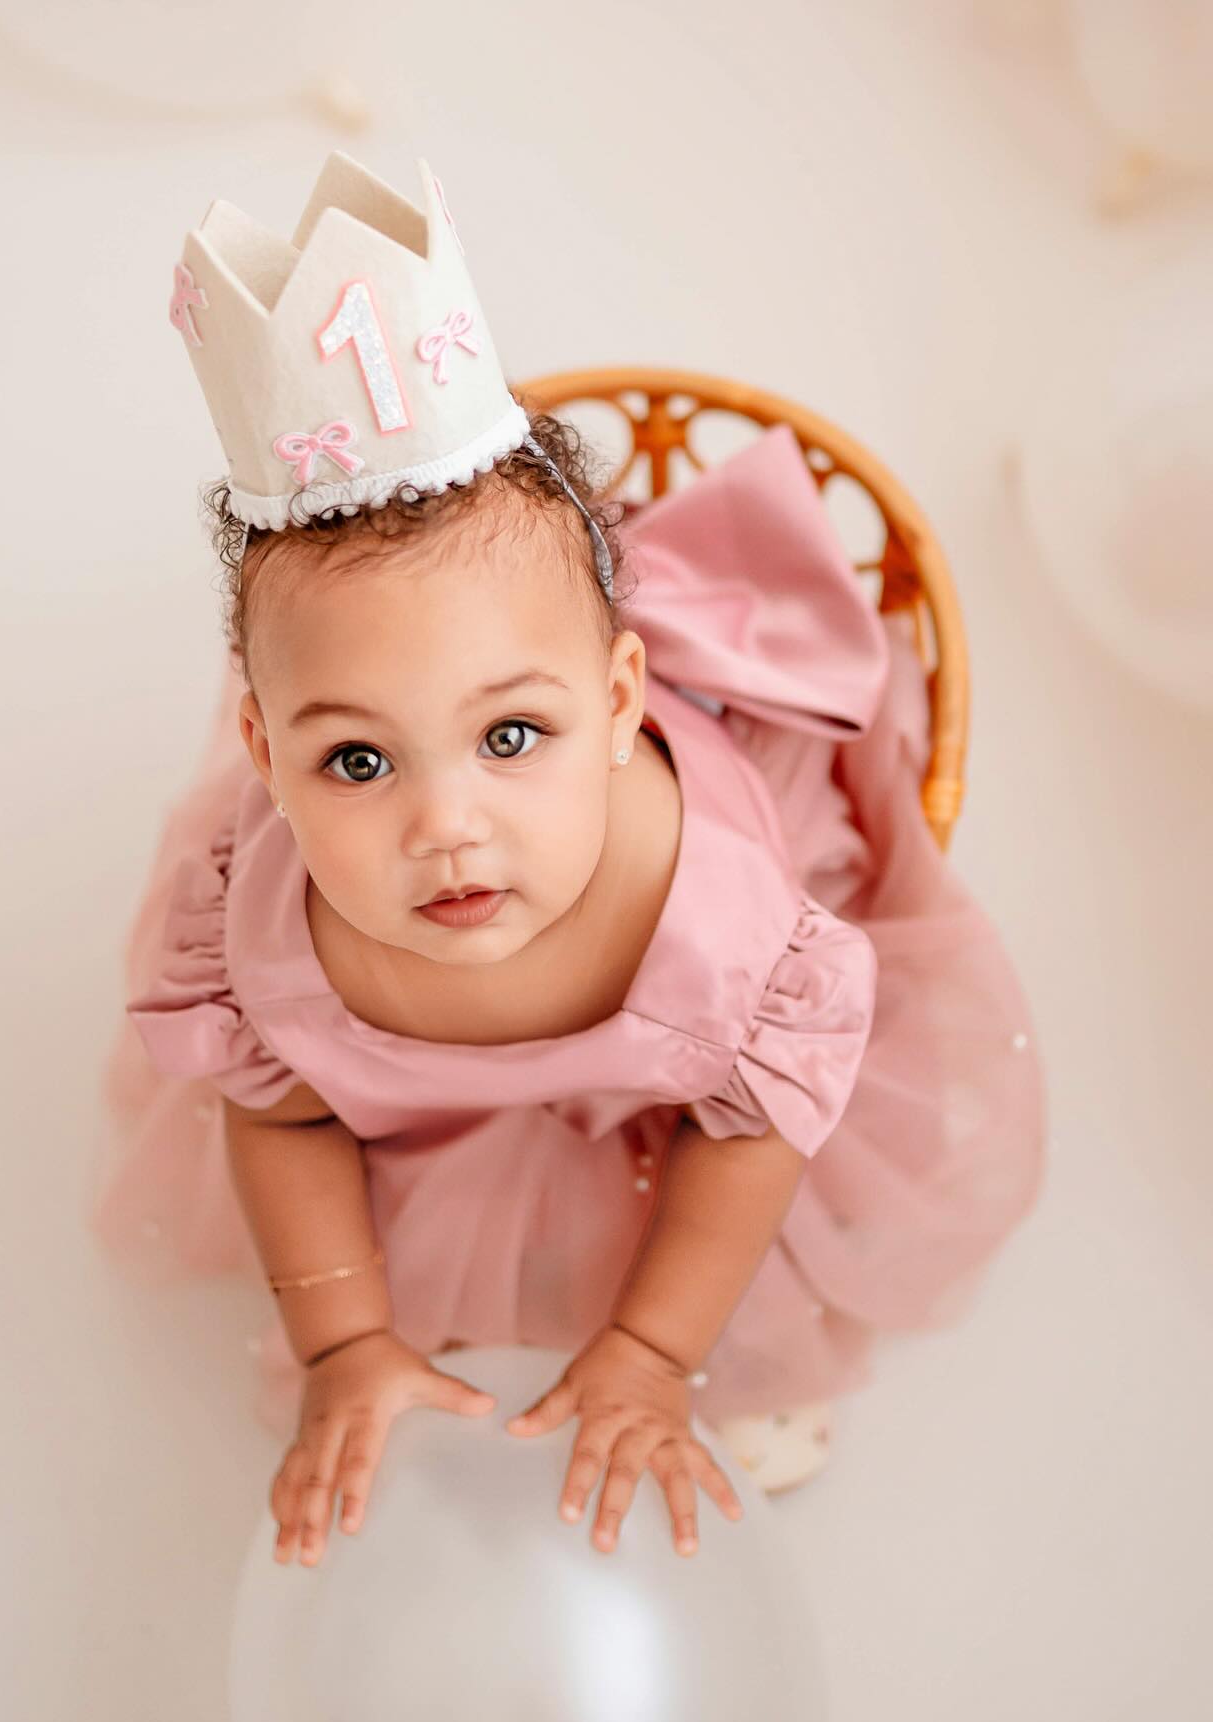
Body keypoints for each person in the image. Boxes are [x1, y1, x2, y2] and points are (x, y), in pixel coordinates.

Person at [88, 151, 1046, 1567]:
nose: (446, 827)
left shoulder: (715, 930)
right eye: (356, 760)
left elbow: (752, 1121)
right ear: (266, 749)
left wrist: (655, 1353)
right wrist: (345, 1339)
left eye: (514, 736)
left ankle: (706, 1352)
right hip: (438, 1096)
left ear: (615, 703)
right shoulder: (265, 936)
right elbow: (287, 1114)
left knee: (730, 1228)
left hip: (677, 1071)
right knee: (406, 1246)